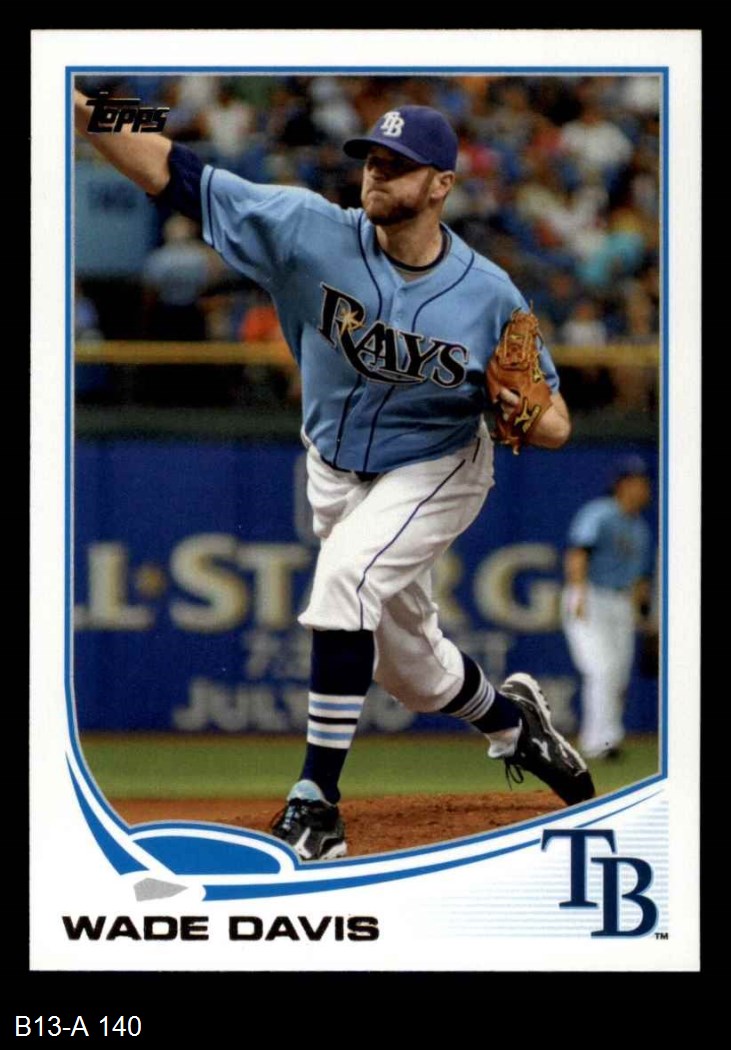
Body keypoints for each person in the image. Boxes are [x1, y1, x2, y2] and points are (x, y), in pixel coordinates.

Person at [74, 91, 595, 860]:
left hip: (436, 465)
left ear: (441, 184)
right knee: (413, 673)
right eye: (370, 160)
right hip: (333, 468)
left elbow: (556, 424)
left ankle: (316, 802)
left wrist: (524, 409)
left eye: (397, 165)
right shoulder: (305, 229)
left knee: (344, 578)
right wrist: (84, 103)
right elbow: (173, 171)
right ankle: (516, 725)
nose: (375, 173)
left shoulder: (488, 294)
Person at [561, 456, 654, 759]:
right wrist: (578, 593)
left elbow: (640, 579)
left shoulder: (640, 528)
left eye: (645, 483)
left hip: (621, 602)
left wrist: (645, 617)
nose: (644, 489)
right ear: (622, 485)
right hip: (591, 595)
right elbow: (578, 553)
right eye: (638, 482)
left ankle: (609, 738)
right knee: (601, 670)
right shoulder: (600, 513)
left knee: (619, 675)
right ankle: (599, 742)